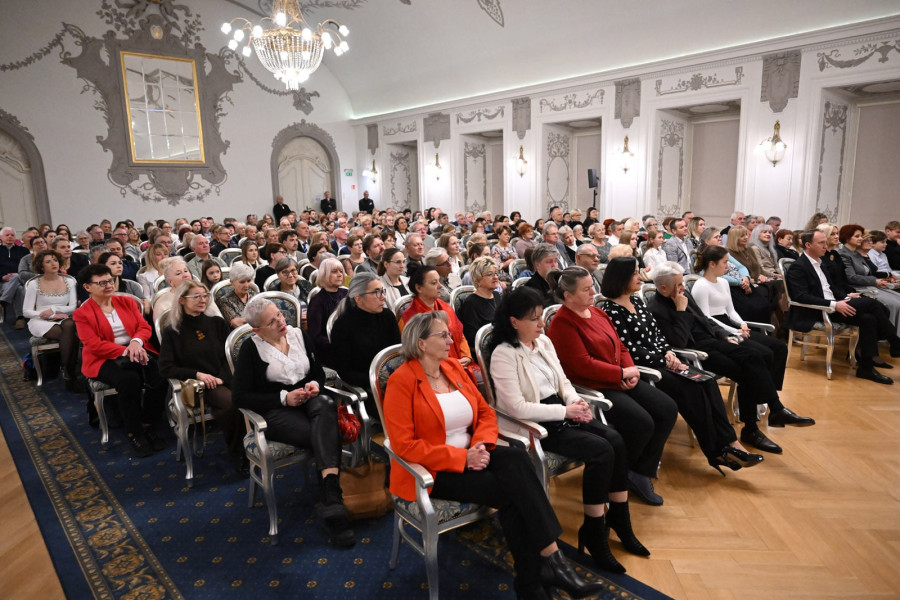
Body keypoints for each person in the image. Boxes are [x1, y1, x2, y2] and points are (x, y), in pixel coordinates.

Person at [383, 311, 605, 598]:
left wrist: (479, 446)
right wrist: (463, 458)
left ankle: (544, 571)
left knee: (517, 459)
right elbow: (404, 445)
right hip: (435, 469)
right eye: (443, 335)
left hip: (474, 452)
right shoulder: (402, 381)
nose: (451, 339)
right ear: (421, 343)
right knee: (514, 493)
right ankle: (543, 572)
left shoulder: (452, 368)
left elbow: (486, 412)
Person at [490, 287, 648, 573]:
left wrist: (575, 402)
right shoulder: (504, 353)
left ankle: (620, 520)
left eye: (541, 316)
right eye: (534, 319)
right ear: (514, 322)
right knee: (601, 449)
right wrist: (566, 411)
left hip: (563, 410)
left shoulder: (543, 342)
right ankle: (594, 530)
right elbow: (516, 407)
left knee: (616, 439)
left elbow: (563, 382)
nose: (542, 324)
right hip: (537, 423)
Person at [600, 257, 763, 474]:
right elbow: (627, 349)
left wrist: (668, 351)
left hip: (664, 360)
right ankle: (715, 451)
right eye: (635, 273)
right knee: (692, 391)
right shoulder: (610, 310)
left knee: (707, 382)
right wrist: (663, 359)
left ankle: (731, 443)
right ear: (622, 278)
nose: (640, 277)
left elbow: (657, 335)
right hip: (647, 369)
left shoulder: (637, 302)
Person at [650, 257, 816, 455]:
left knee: (755, 360)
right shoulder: (656, 308)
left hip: (713, 340)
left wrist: (725, 334)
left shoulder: (682, 294)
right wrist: (680, 310)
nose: (683, 288)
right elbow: (678, 341)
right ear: (663, 288)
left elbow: (705, 320)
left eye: (682, 283)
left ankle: (759, 423)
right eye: (678, 285)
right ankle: (768, 415)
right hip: (698, 353)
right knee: (751, 362)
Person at [546, 266, 678, 506]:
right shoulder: (562, 323)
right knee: (642, 422)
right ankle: (620, 474)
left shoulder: (597, 312)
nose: (593, 292)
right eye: (586, 289)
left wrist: (631, 370)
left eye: (592, 287)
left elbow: (621, 346)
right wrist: (621, 373)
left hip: (619, 377)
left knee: (667, 408)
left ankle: (638, 471)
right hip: (595, 386)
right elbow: (582, 365)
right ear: (567, 296)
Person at [232, 296, 354, 547]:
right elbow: (240, 397)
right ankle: (332, 499)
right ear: (257, 330)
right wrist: (283, 397)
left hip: (309, 400)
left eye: (279, 314)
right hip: (276, 411)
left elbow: (317, 372)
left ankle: (331, 496)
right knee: (326, 434)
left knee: (325, 405)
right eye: (272, 321)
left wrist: (314, 384)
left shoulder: (299, 335)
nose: (281, 321)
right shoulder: (251, 349)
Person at [74, 264, 167, 458]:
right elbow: (93, 344)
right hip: (103, 358)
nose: (109, 285)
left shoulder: (127, 302)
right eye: (101, 283)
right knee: (129, 380)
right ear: (87, 287)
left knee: (160, 374)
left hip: (135, 349)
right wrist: (126, 350)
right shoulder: (82, 313)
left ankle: (148, 422)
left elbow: (144, 327)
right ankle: (134, 432)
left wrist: (135, 343)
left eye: (110, 280)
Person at [787, 230, 900, 384]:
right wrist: (834, 304)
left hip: (834, 305)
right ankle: (895, 341)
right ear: (808, 245)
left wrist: (846, 296)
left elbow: (831, 288)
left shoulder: (821, 263)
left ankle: (866, 368)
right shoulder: (798, 267)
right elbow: (801, 296)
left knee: (869, 319)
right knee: (872, 304)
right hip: (816, 311)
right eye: (821, 243)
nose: (825, 246)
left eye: (825, 242)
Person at [158, 281, 245, 473]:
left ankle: (258, 445)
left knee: (254, 395)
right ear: (182, 300)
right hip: (196, 385)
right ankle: (239, 452)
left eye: (205, 295)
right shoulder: (173, 330)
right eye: (196, 296)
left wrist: (222, 378)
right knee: (231, 403)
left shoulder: (216, 323)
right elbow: (166, 368)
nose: (203, 300)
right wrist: (198, 375)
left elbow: (229, 358)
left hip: (221, 378)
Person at [330, 272, 401, 418]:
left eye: (382, 291)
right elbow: (345, 372)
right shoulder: (342, 326)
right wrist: (379, 380)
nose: (383, 297)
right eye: (376, 292)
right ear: (358, 298)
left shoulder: (387, 316)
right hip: (367, 386)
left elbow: (398, 354)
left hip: (396, 381)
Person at [23, 249, 80, 389]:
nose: (53, 263)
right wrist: (48, 315)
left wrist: (54, 310)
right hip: (39, 320)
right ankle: (68, 371)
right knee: (70, 334)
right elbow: (26, 312)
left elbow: (72, 307)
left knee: (70, 325)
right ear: (41, 266)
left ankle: (65, 368)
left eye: (55, 260)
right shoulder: (34, 284)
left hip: (63, 317)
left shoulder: (69, 281)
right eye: (48, 261)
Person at [399, 266, 473, 367]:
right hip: (434, 369)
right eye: (434, 283)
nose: (440, 286)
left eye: (439, 281)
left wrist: (466, 356)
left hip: (461, 362)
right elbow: (416, 354)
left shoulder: (446, 308)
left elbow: (460, 335)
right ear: (418, 288)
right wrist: (451, 364)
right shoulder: (409, 318)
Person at [837, 224, 900, 336]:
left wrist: (878, 281)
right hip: (857, 288)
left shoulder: (856, 254)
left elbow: (870, 272)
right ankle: (889, 336)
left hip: (868, 285)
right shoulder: (843, 254)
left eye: (861, 236)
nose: (861, 239)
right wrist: (875, 281)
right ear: (847, 238)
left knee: (898, 299)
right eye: (857, 236)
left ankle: (896, 335)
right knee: (893, 304)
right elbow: (851, 277)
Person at [306, 257, 348, 366]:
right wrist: (340, 343)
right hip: (329, 350)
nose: (339, 275)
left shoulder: (347, 294)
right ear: (324, 274)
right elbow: (315, 336)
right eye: (334, 272)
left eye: (341, 271)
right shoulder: (317, 301)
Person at [457, 256, 503, 348]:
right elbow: (472, 338)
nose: (495, 277)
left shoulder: (497, 295)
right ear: (477, 280)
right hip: (488, 348)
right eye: (489, 274)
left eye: (496, 273)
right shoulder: (470, 303)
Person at [216, 263, 257, 329]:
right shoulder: (225, 301)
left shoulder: (255, 295)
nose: (246, 285)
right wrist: (258, 318)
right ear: (232, 282)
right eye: (242, 282)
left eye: (249, 281)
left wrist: (244, 320)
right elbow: (236, 323)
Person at [377, 247, 409, 311]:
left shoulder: (408, 281)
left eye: (403, 261)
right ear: (386, 264)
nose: (402, 266)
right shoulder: (379, 285)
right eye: (398, 262)